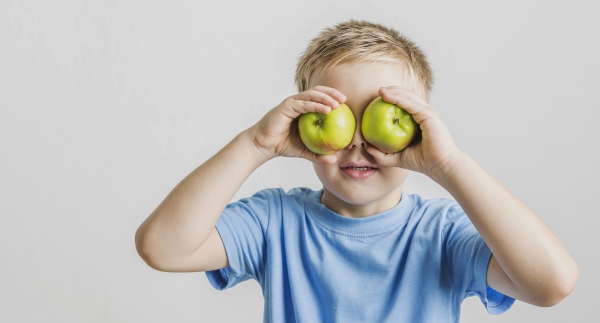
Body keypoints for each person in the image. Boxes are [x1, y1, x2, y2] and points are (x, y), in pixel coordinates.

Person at [135, 20, 578, 322]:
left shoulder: (442, 234)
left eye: (379, 117)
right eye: (340, 116)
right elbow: (162, 248)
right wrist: (255, 144)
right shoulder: (275, 222)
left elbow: (552, 284)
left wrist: (448, 164)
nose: (358, 143)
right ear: (304, 124)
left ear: (417, 128)